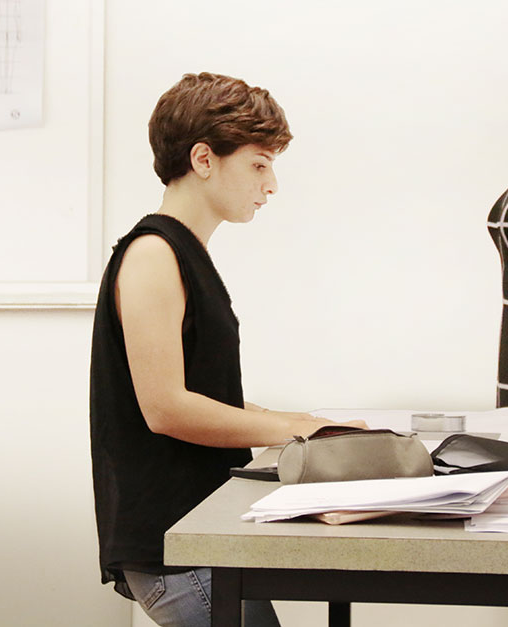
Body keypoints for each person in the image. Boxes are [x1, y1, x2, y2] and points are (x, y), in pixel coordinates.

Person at [90, 72, 369, 627]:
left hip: (200, 535)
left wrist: (310, 424)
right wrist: (296, 433)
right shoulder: (153, 254)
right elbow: (166, 408)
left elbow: (205, 396)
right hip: (175, 547)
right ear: (203, 159)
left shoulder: (184, 253)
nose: (271, 185)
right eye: (259, 165)